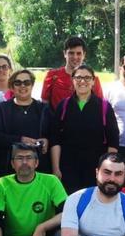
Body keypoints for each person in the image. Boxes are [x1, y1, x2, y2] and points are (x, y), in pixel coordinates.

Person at [50, 64, 120, 195]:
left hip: (96, 168)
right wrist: (56, 168)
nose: (82, 81)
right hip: (68, 168)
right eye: (78, 77)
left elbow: (113, 141)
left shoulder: (104, 107)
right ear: (72, 80)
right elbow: (55, 139)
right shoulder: (63, 106)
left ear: (93, 81)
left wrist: (108, 169)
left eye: (87, 78)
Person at [0, 69, 51, 178]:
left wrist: (46, 140)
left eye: (27, 83)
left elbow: (53, 133)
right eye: (18, 83)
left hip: (39, 165)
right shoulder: (2, 108)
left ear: (32, 85)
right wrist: (20, 140)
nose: (22, 86)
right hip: (9, 166)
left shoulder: (43, 108)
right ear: (12, 87)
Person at [41, 36, 103, 107]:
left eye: (79, 53)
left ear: (84, 55)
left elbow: (100, 106)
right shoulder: (52, 76)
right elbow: (45, 107)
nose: (75, 57)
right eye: (71, 53)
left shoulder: (93, 79)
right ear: (65, 53)